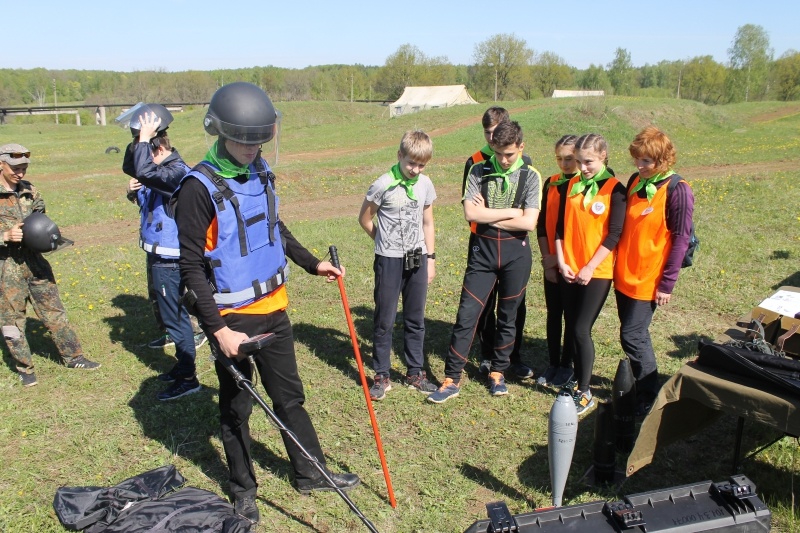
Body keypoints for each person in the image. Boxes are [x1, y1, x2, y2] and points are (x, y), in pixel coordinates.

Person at [173, 82, 360, 524]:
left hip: (274, 308)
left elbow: (276, 229)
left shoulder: (260, 171)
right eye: (242, 139)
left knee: (289, 396)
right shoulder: (198, 189)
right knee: (236, 408)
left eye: (259, 141)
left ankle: (311, 473)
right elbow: (190, 267)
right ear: (218, 131)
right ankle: (243, 489)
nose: (252, 148)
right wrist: (218, 330)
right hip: (232, 320)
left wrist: (314, 263)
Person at [428, 121, 542, 404]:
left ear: (521, 148)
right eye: (498, 153)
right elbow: (470, 213)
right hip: (483, 251)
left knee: (508, 314)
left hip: (517, 253)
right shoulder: (479, 169)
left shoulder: (531, 176)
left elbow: (529, 221)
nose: (503, 160)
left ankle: (498, 371)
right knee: (468, 314)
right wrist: (511, 211)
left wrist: (488, 212)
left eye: (509, 155)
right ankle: (452, 377)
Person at [122, 104, 205, 401]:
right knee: (172, 316)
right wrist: (135, 190)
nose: (136, 154)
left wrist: (143, 138)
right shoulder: (159, 171)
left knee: (176, 320)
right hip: (158, 254)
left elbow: (143, 168)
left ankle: (188, 377)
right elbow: (136, 171)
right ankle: (182, 369)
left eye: (141, 148)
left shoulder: (176, 172)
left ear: (155, 148)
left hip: (171, 259)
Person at [0, 144, 100, 387]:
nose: (20, 173)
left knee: (54, 311)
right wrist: (3, 235)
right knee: (12, 321)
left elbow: (41, 219)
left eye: (23, 168)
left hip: (35, 262)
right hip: (6, 267)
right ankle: (25, 368)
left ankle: (73, 357)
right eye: (15, 168)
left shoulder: (30, 190)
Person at [614, 126, 694, 416]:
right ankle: (640, 383)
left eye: (646, 161)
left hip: (649, 279)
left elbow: (681, 239)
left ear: (663, 160)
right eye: (637, 159)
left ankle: (648, 394)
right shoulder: (636, 181)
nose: (639, 165)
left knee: (633, 336)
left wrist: (667, 283)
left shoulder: (677, 190)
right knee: (633, 334)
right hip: (625, 274)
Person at [358, 130, 438, 400]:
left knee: (415, 318)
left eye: (421, 165)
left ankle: (415, 371)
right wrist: (383, 242)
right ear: (399, 156)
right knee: (385, 319)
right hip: (389, 259)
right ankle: (381, 374)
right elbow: (365, 219)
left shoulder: (425, 184)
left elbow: (428, 222)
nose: (415, 170)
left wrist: (430, 258)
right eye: (411, 163)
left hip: (417, 258)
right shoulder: (382, 185)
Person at [554, 133, 625, 416]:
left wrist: (590, 267)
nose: (582, 168)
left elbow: (614, 234)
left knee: (582, 329)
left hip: (597, 271)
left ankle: (585, 391)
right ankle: (576, 378)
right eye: (580, 161)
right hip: (569, 268)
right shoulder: (572, 184)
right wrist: (561, 261)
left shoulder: (615, 189)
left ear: (603, 157)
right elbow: (560, 226)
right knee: (571, 326)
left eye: (589, 162)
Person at [463, 107, 534, 380]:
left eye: (497, 132)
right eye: (488, 134)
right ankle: (486, 353)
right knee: (484, 302)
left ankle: (513, 356)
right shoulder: (475, 162)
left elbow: (528, 214)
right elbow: (472, 211)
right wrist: (508, 215)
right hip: (483, 241)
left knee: (514, 304)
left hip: (515, 244)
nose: (493, 139)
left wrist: (499, 216)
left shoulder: (524, 162)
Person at [536, 135, 579, 388]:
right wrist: (547, 259)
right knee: (554, 313)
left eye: (569, 159)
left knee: (573, 317)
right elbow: (542, 225)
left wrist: (561, 260)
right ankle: (553, 363)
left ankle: (567, 365)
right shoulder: (551, 182)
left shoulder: (584, 185)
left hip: (574, 262)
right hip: (551, 259)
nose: (564, 164)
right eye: (559, 159)